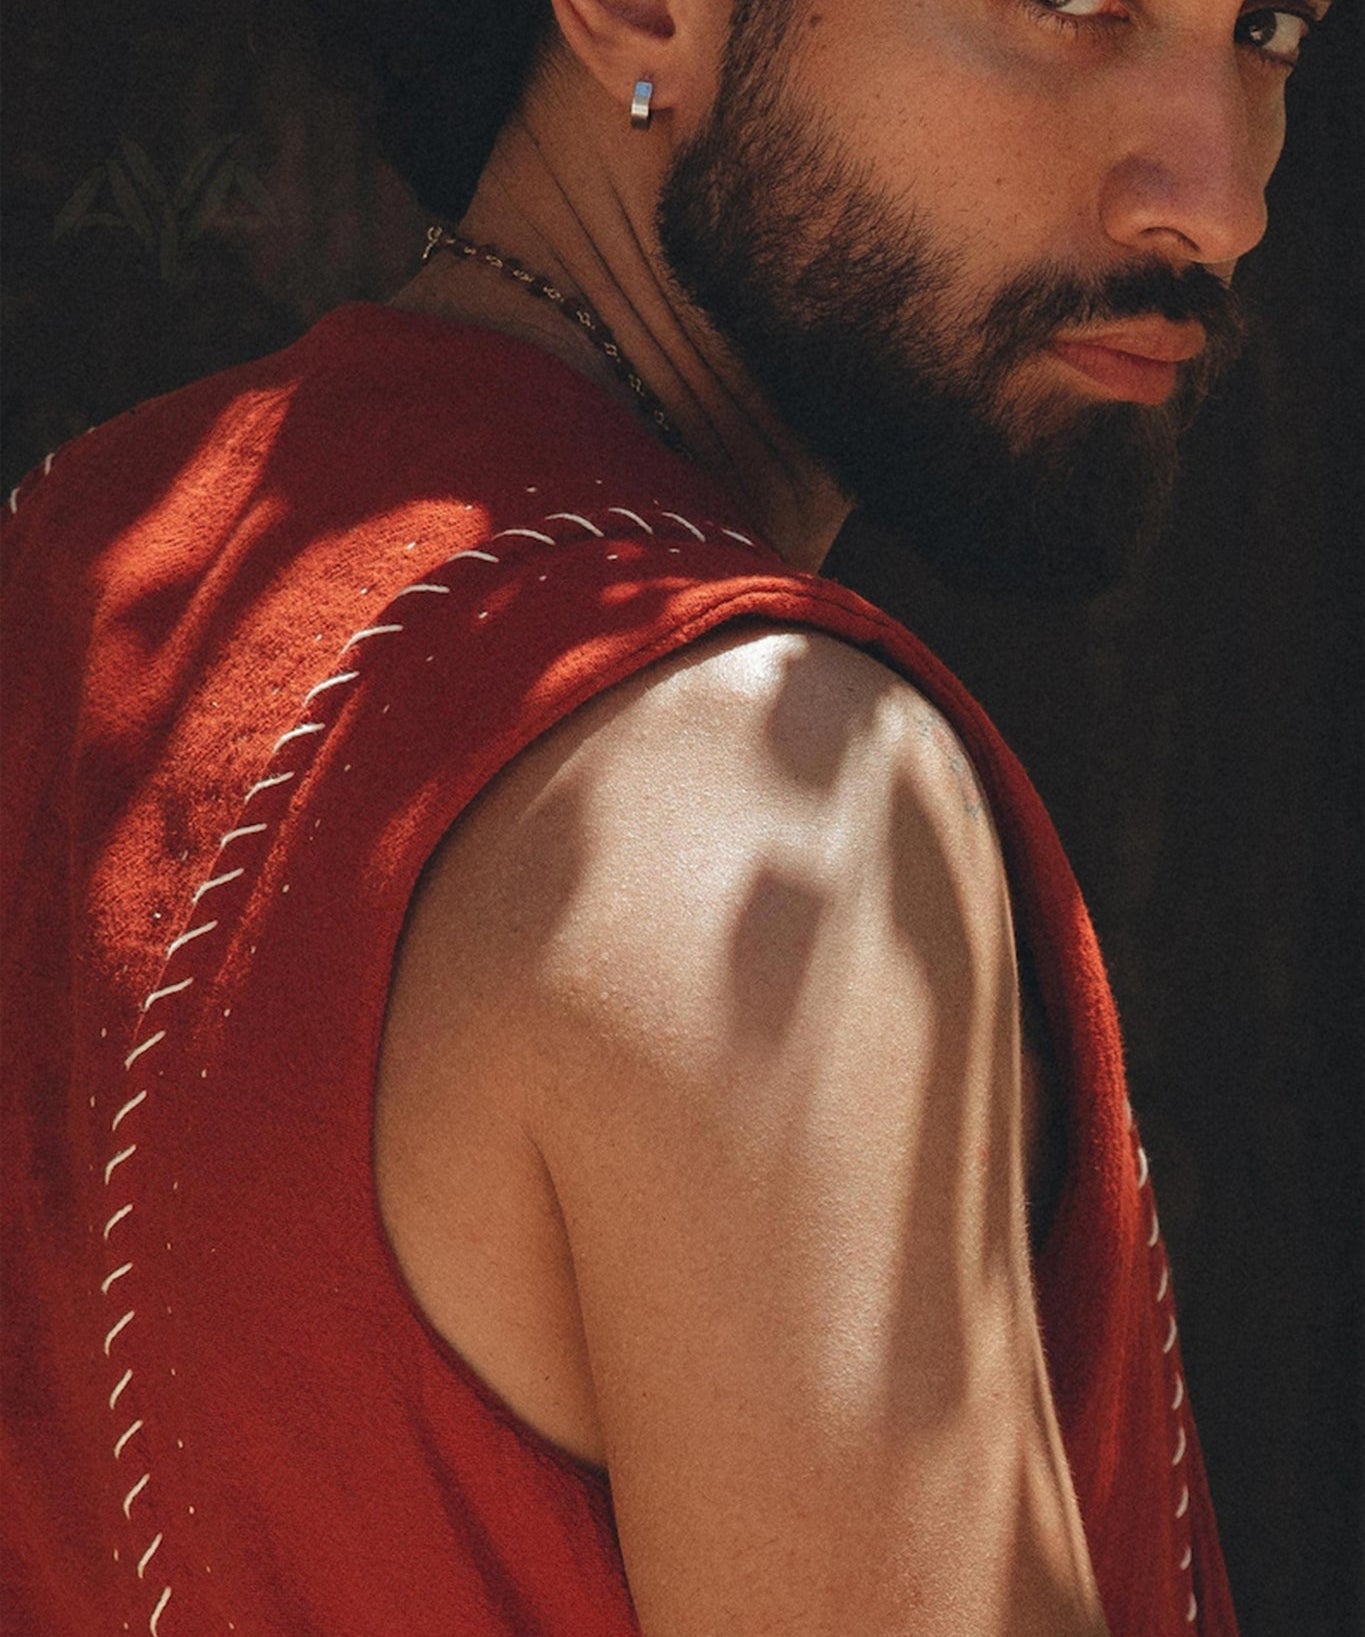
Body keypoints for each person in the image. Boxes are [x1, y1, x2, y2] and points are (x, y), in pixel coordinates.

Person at [1, 0, 1321, 1631]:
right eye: (1073, 10)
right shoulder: (757, 801)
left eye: (1268, 26)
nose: (1219, 196)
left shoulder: (74, 553)